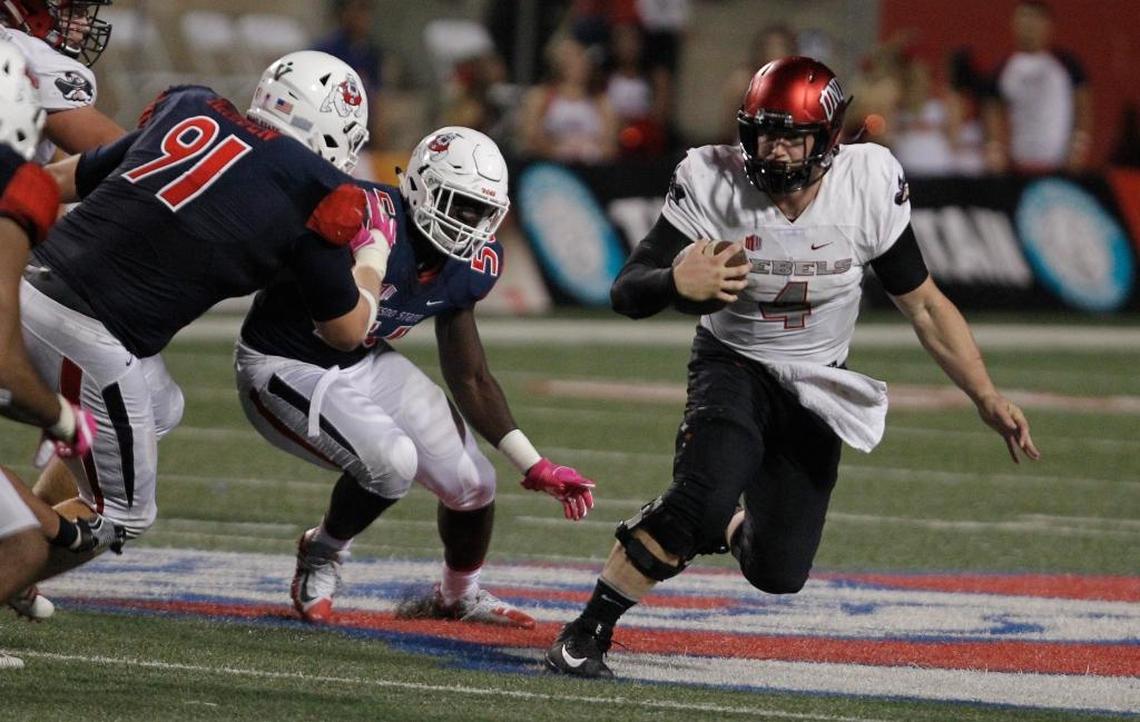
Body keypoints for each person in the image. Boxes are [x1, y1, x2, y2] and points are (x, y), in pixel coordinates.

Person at [544, 56, 1040, 679]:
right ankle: (588, 630)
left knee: (780, 571)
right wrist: (674, 280)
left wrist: (985, 394)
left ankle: (722, 520)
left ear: (829, 138)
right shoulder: (712, 178)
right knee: (700, 499)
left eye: (791, 135)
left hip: (818, 381)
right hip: (734, 363)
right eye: (763, 132)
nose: (774, 151)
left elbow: (925, 305)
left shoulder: (869, 182)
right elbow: (626, 290)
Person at [15, 50, 386, 598]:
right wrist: (372, 261)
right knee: (123, 515)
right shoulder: (314, 190)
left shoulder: (193, 109)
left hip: (25, 287)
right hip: (88, 333)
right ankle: (14, 565)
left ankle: (27, 545)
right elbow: (347, 331)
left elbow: (80, 174)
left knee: (161, 405)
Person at [235, 126, 596, 626]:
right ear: (422, 186)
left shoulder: (471, 265)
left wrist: (533, 463)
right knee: (392, 461)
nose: (471, 224)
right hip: (282, 361)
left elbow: (468, 374)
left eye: (482, 211)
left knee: (474, 483)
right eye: (459, 204)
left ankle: (457, 595)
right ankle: (323, 551)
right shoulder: (362, 212)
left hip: (362, 359)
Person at [0, 39, 120, 670]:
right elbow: (4, 363)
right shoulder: (16, 191)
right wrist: (60, 418)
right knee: (21, 546)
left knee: (23, 542)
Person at [0, 0, 124, 162]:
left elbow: (55, 167)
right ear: (28, 10)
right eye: (75, 13)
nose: (85, 27)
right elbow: (131, 161)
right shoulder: (35, 59)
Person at [983, 0, 1092, 173]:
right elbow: (993, 112)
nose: (1028, 25)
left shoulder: (1067, 65)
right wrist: (995, 150)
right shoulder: (1003, 70)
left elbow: (1083, 106)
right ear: (1014, 24)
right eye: (1023, 19)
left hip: (1061, 165)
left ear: (1048, 25)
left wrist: (1079, 148)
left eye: (1034, 19)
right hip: (1018, 167)